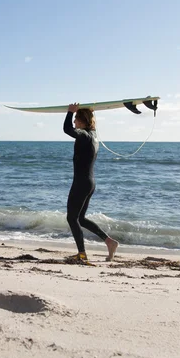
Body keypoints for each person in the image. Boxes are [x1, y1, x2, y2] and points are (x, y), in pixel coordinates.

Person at [63, 103, 118, 264]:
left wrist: (69, 112)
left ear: (82, 121)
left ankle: (82, 254)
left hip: (81, 183)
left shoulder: (85, 136)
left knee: (72, 218)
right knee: (80, 218)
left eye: (75, 120)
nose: (74, 123)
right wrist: (86, 112)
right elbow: (85, 127)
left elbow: (67, 130)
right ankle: (110, 242)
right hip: (89, 183)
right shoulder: (93, 136)